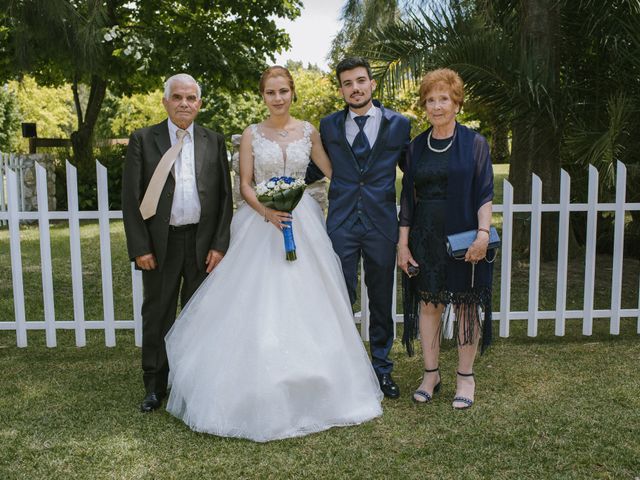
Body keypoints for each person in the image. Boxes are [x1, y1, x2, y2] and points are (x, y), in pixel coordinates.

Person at [164, 66, 383, 442]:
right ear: (262, 96)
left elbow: (333, 173)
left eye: (283, 91)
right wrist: (266, 211)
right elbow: (245, 184)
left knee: (310, 300)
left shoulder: (309, 132)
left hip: (303, 221)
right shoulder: (251, 134)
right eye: (270, 92)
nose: (277, 98)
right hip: (259, 223)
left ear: (292, 93)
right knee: (253, 301)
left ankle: (317, 380)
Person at [121, 74, 233, 413]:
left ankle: (195, 382)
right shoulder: (143, 139)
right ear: (166, 101)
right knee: (159, 314)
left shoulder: (214, 140)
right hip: (161, 244)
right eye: (178, 97)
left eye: (191, 98)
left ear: (199, 103)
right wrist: (140, 247)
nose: (184, 103)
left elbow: (225, 198)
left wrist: (219, 244)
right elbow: (131, 197)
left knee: (200, 315)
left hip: (201, 243)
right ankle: (155, 385)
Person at [305, 57, 411, 398]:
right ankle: (340, 371)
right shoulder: (329, 125)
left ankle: (382, 370)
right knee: (338, 297)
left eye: (361, 81)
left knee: (381, 301)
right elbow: (313, 169)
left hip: (381, 225)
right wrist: (276, 184)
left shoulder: (398, 124)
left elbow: (413, 175)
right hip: (341, 224)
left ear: (372, 84)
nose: (355, 88)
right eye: (348, 83)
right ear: (341, 89)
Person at [397, 68, 494, 409]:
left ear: (457, 104)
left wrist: (483, 235)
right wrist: (403, 243)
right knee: (429, 304)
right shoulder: (415, 147)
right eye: (430, 100)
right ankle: (431, 373)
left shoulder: (475, 144)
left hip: (465, 236)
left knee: (466, 304)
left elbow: (484, 193)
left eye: (444, 99)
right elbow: (408, 200)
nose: (437, 106)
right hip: (425, 235)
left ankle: (465, 378)